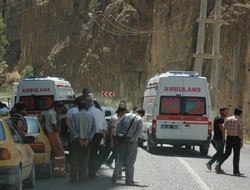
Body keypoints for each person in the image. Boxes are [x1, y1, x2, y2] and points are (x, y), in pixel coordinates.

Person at [111, 108, 145, 185]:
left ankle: (116, 173)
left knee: (121, 158)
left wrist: (118, 136)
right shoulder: (139, 119)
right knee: (130, 161)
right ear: (142, 114)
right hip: (131, 142)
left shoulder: (125, 115)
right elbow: (139, 131)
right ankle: (129, 180)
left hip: (122, 140)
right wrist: (132, 139)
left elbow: (119, 126)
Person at [69, 100, 96, 183]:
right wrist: (88, 139)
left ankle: (74, 177)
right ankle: (82, 178)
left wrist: (79, 139)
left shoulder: (75, 116)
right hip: (87, 142)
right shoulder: (91, 116)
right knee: (85, 160)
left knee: (75, 160)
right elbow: (93, 129)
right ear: (86, 107)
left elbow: (73, 129)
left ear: (78, 107)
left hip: (76, 141)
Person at [96, 106, 127, 171]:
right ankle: (118, 171)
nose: (124, 115)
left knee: (108, 154)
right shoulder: (115, 119)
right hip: (112, 138)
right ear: (120, 112)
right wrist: (111, 141)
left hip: (114, 138)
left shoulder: (118, 118)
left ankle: (97, 168)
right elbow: (110, 130)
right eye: (124, 113)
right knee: (116, 155)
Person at [215, 108, 244, 176]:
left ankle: (218, 163)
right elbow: (241, 131)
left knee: (227, 153)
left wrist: (223, 138)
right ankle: (236, 171)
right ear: (240, 114)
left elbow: (223, 128)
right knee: (236, 155)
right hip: (236, 138)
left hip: (229, 138)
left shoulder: (228, 119)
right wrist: (242, 141)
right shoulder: (239, 120)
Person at [45, 101, 68, 177]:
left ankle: (60, 171)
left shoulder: (51, 113)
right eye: (61, 110)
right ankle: (59, 172)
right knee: (60, 153)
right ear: (57, 108)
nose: (61, 111)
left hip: (53, 135)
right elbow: (54, 126)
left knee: (58, 153)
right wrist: (59, 121)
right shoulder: (52, 114)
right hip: (53, 135)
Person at [85, 97, 107, 178]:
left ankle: (91, 172)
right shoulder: (99, 111)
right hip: (99, 135)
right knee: (94, 153)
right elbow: (104, 123)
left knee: (90, 154)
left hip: (92, 135)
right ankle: (92, 171)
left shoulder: (89, 113)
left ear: (87, 104)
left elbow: (93, 127)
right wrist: (103, 132)